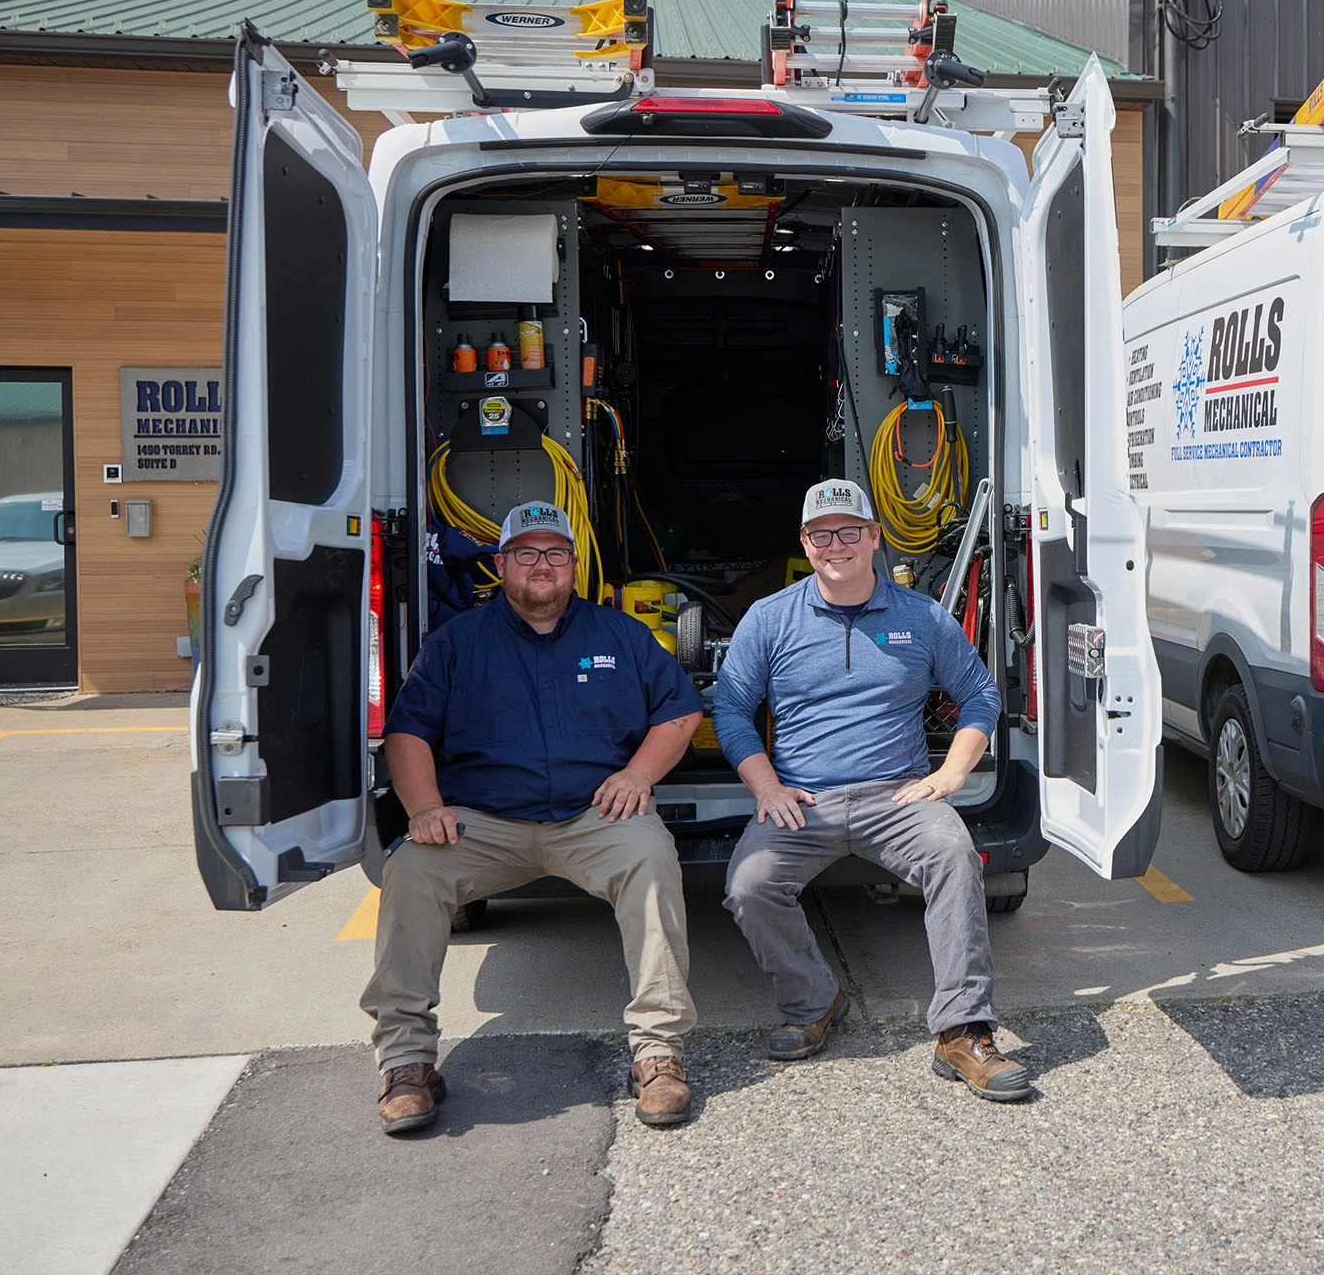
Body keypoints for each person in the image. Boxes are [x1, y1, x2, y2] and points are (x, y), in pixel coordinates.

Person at [366, 500, 705, 1134]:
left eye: (555, 553)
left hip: (591, 817)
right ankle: (407, 1062)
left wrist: (638, 776)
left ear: (575, 565)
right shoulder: (457, 642)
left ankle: (658, 1053)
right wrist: (424, 808)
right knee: (410, 871)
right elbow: (408, 731)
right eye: (526, 553)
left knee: (651, 856)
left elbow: (679, 712)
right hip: (482, 823)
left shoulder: (620, 634)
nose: (541, 565)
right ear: (501, 565)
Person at [713, 479, 1030, 1102]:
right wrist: (766, 783)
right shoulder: (769, 619)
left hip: (898, 796)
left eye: (850, 531)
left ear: (874, 538)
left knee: (954, 856)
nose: (838, 545)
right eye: (822, 534)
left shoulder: (922, 616)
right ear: (806, 544)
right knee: (749, 885)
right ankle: (814, 1001)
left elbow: (980, 697)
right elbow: (730, 708)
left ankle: (963, 1031)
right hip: (804, 800)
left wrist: (951, 775)